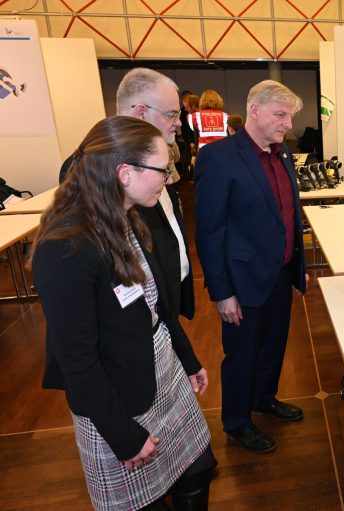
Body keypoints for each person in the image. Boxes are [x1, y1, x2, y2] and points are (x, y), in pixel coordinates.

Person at [31, 116, 216, 510]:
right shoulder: (66, 247)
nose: (170, 178)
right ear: (125, 173)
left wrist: (187, 359)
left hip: (161, 371)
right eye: (163, 169)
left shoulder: (125, 216)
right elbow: (77, 360)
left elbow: (157, 305)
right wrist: (123, 436)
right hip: (117, 398)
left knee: (198, 469)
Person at [195, 80, 308, 453]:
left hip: (280, 273)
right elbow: (209, 232)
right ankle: (237, 421)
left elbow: (288, 215)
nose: (288, 124)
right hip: (242, 281)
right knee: (242, 355)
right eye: (281, 115)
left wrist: (297, 263)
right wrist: (222, 292)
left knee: (274, 344)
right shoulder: (219, 157)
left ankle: (264, 397)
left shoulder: (283, 154)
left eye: (289, 116)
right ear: (254, 110)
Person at [59, 67, 195, 321]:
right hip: (136, 313)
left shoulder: (157, 155)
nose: (178, 122)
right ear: (141, 113)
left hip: (166, 298)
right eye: (171, 114)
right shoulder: (92, 165)